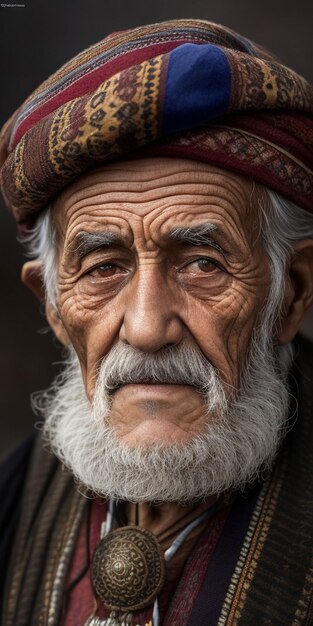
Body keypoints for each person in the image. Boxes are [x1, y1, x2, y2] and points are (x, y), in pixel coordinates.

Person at [0, 18, 313, 626]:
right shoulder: (14, 504)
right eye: (102, 267)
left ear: (292, 292)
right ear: (52, 304)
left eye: (202, 263)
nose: (146, 328)